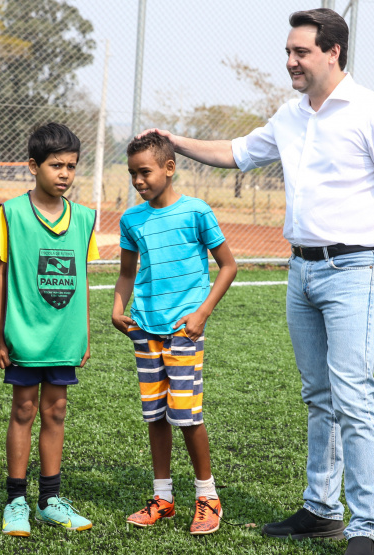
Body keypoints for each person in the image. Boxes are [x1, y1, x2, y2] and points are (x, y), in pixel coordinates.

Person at [138, 9, 374, 554]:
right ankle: (322, 509)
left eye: (300, 52)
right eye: (287, 52)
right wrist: (174, 140)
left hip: (355, 268)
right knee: (318, 395)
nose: (290, 62)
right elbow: (234, 154)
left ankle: (364, 525)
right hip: (301, 269)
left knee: (353, 395)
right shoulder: (291, 115)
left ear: (333, 52)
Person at [112, 132, 237, 536]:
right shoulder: (131, 220)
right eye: (132, 174)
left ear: (169, 167)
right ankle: (163, 498)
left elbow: (228, 266)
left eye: (144, 172)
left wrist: (201, 313)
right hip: (144, 328)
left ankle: (207, 496)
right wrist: (118, 308)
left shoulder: (196, 212)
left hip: (184, 329)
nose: (138, 181)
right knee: (155, 415)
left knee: (186, 414)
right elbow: (127, 272)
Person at [0, 122, 98, 537]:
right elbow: (0, 273)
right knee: (23, 410)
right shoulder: (12, 212)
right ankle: (16, 501)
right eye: (56, 165)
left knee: (56, 411)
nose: (65, 174)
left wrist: (85, 332)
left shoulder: (85, 218)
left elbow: (84, 277)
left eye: (71, 166)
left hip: (64, 336)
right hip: (25, 334)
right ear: (33, 166)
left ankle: (50, 500)